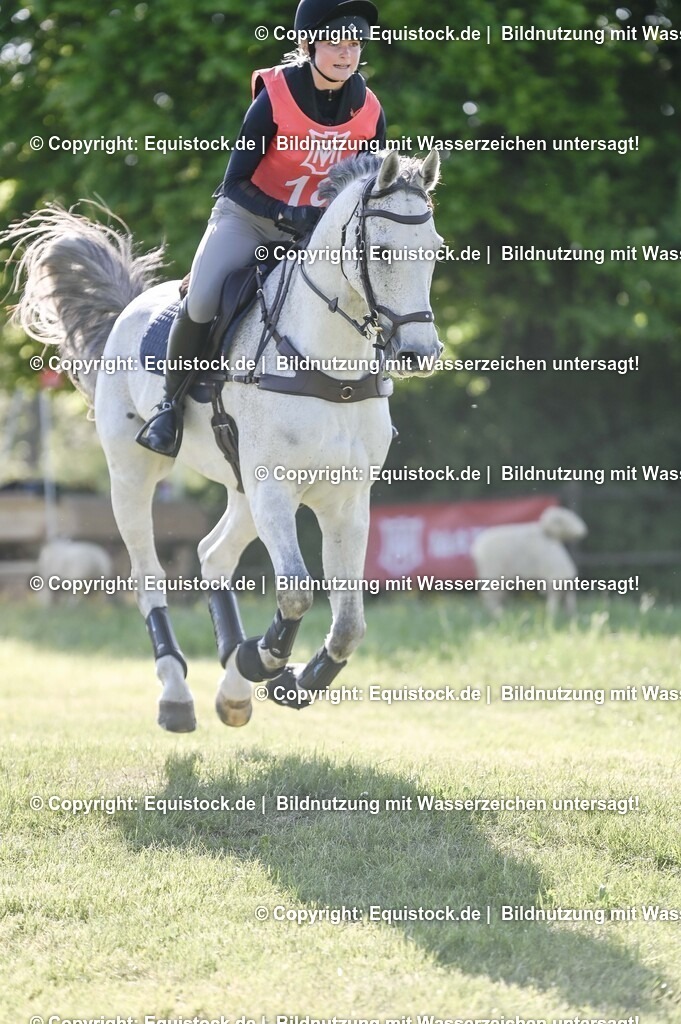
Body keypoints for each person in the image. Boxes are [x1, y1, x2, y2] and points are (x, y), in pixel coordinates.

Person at [137, 0, 386, 456]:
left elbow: (370, 192)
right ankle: (168, 407)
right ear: (308, 44)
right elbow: (233, 183)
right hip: (248, 221)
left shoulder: (369, 110)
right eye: (336, 42)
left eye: (355, 44)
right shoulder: (275, 96)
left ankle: (373, 406)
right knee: (203, 298)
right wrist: (286, 213)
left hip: (314, 235)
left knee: (369, 291)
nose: (347, 53)